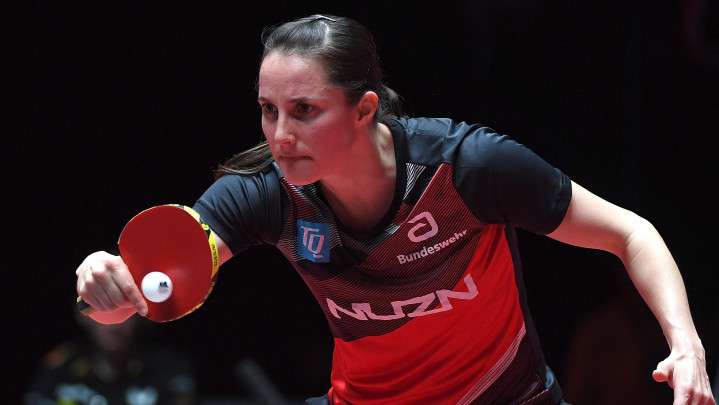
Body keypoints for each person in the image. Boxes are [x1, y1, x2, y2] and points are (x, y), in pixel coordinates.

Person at [75, 14, 715, 405]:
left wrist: (685, 345)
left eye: (304, 110)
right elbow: (180, 258)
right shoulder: (269, 194)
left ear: (364, 109)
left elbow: (632, 234)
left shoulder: (466, 169)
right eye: (269, 110)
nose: (280, 135)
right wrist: (111, 289)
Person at [25, 309, 195, 405]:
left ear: (142, 315)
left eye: (125, 311)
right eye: (104, 311)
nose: (114, 326)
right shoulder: (59, 366)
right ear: (83, 315)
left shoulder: (169, 367)